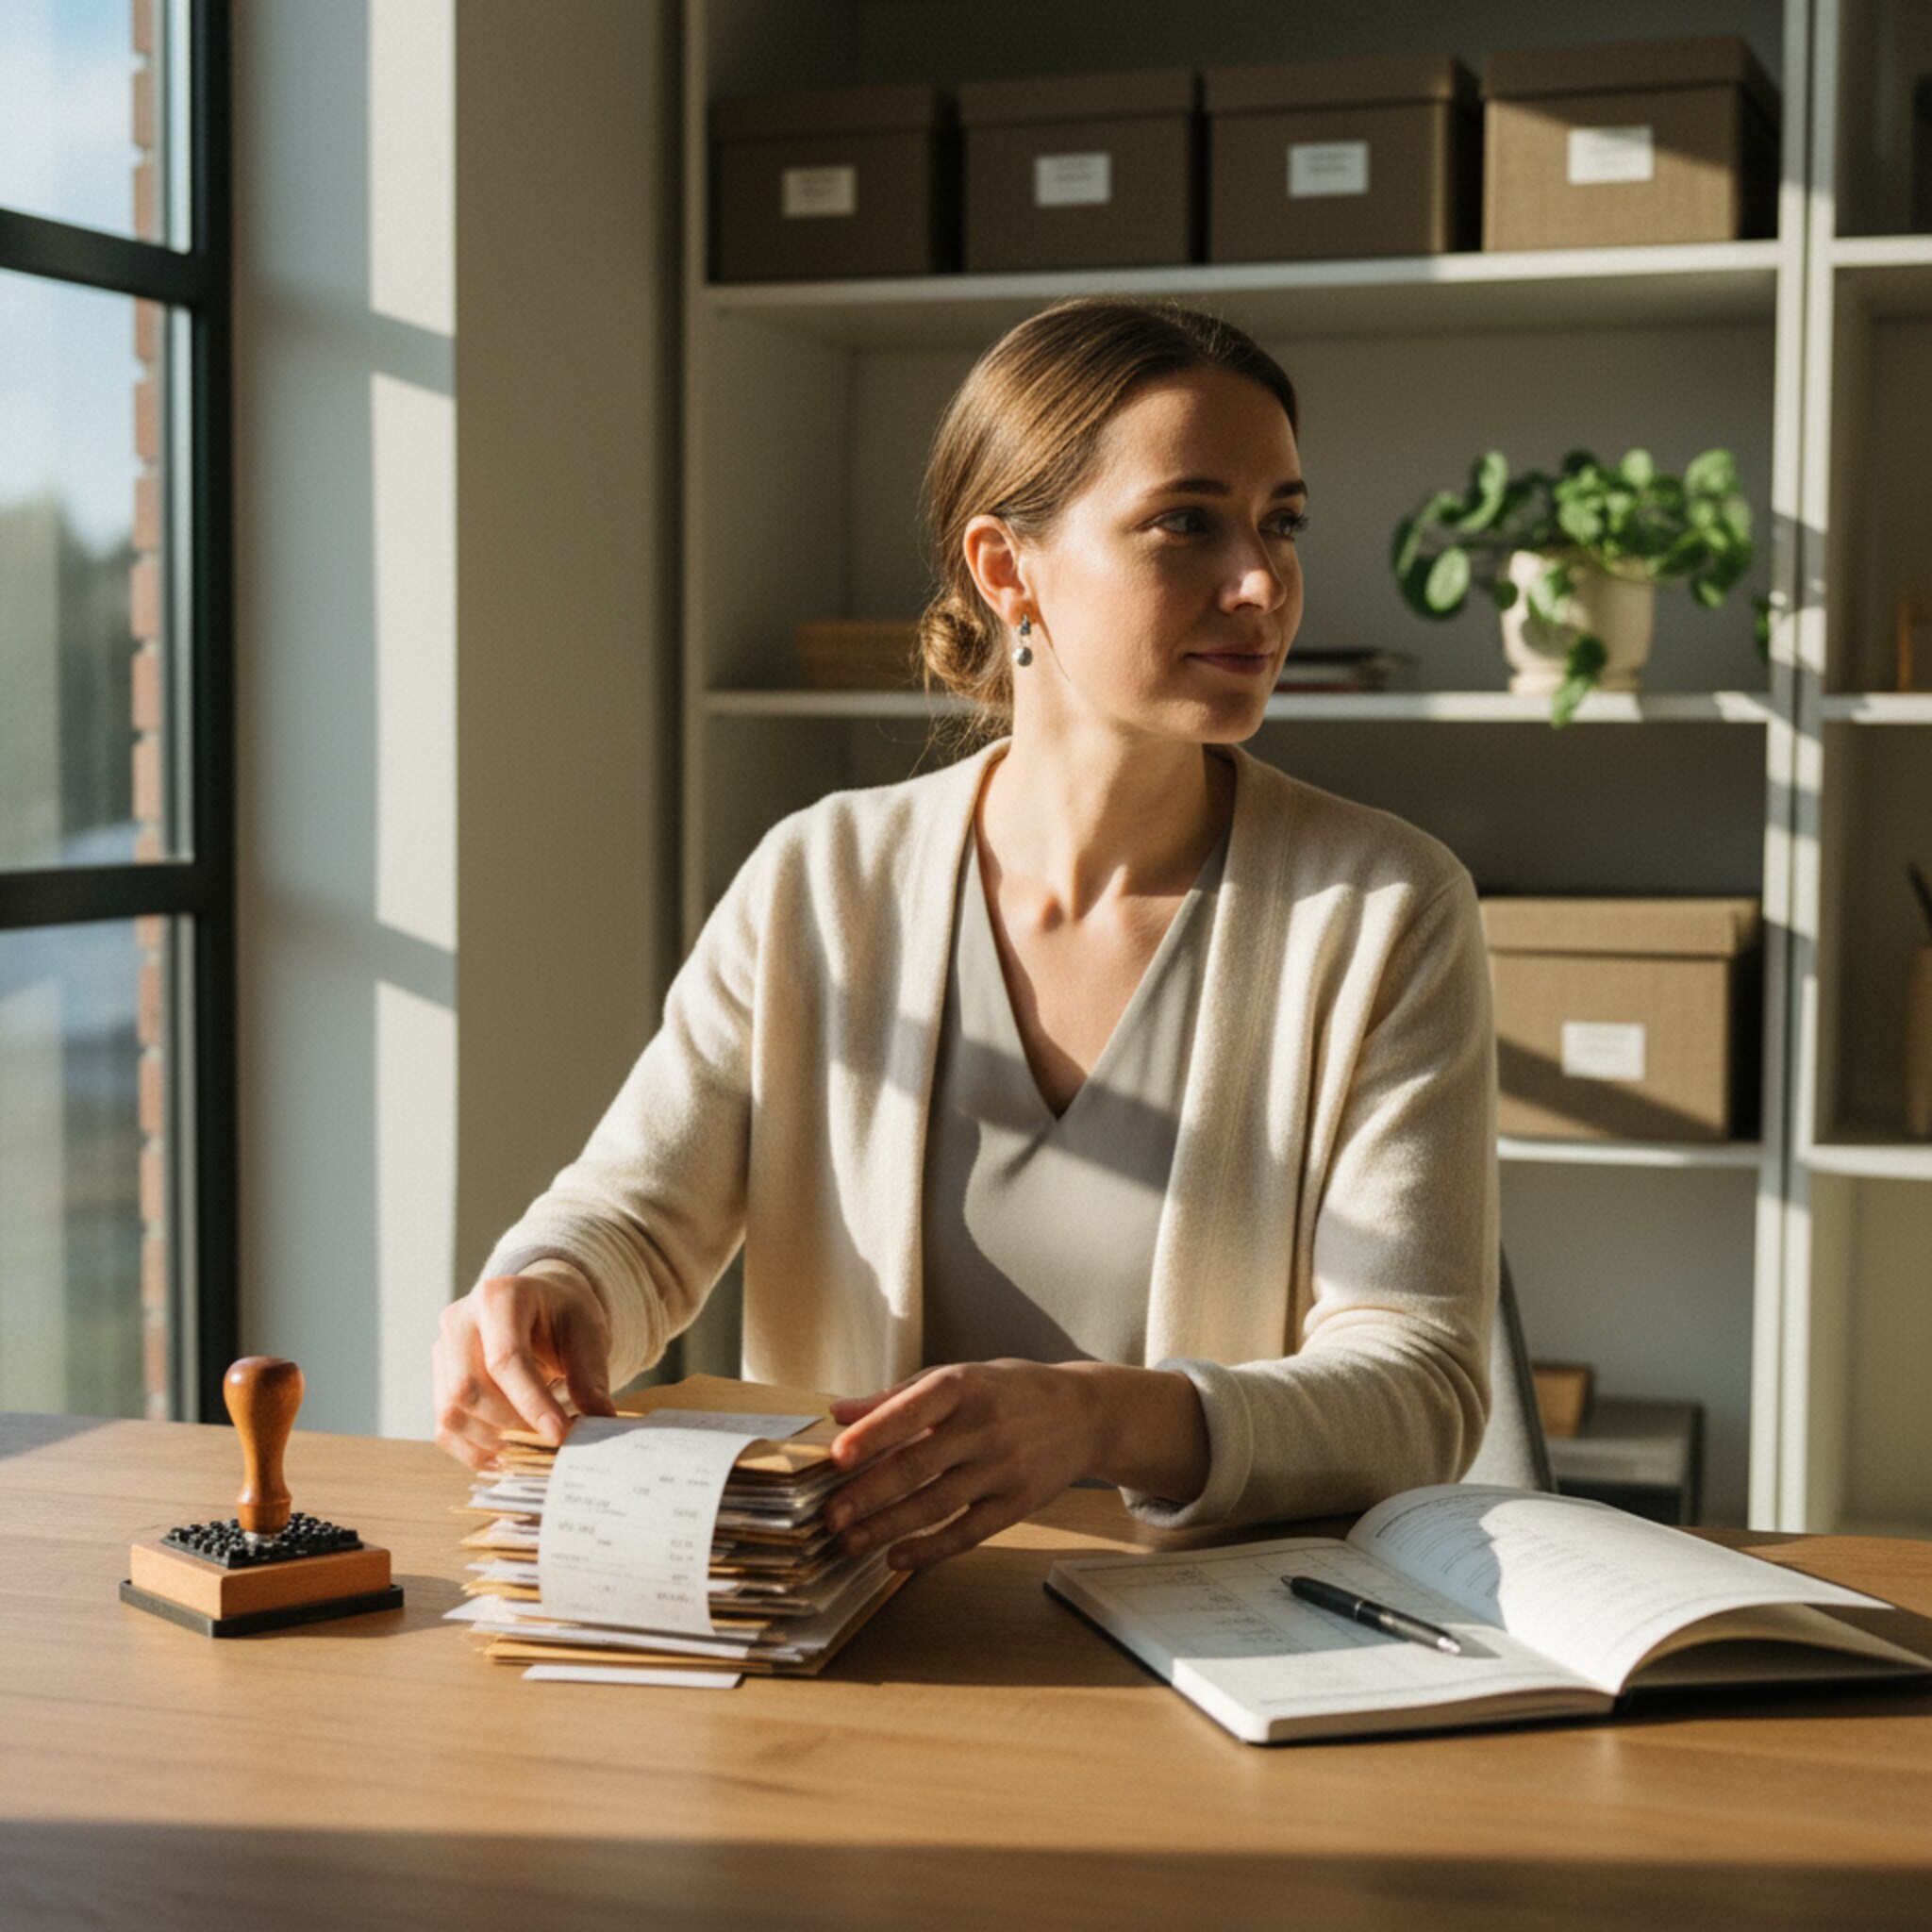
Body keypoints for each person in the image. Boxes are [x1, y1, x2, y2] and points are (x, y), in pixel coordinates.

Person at [432, 296, 1498, 1573]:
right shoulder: (820, 878)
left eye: (1282, 524)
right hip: (850, 1638)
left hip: (1225, 1666)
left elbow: (1422, 1386)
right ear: (1008, 571)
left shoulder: (1388, 907)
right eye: (1187, 523)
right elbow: (637, 1218)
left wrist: (1100, 1417)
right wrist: (551, 1288)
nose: (1263, 583)